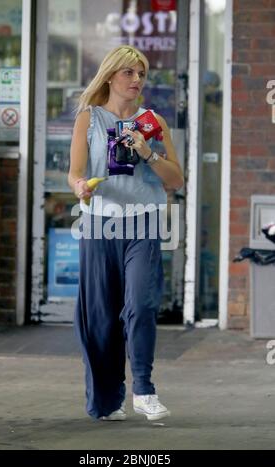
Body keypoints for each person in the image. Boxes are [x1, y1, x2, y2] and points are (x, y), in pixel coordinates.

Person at [68, 45, 184, 421]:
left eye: (141, 75)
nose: (136, 81)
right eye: (129, 73)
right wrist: (81, 186)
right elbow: (74, 173)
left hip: (143, 222)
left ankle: (144, 390)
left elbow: (176, 179)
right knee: (100, 315)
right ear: (110, 76)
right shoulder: (89, 119)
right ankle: (107, 398)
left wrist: (148, 153)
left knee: (142, 305)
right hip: (100, 223)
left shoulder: (154, 122)